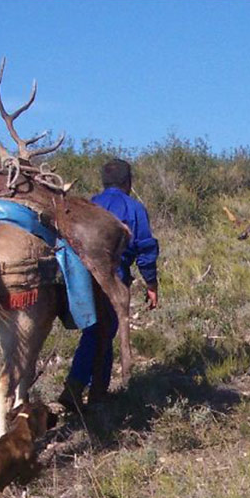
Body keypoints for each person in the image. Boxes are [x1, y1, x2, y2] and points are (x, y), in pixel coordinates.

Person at [58, 159, 159, 409]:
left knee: (99, 329)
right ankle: (79, 386)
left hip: (77, 276)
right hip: (113, 275)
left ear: (103, 183)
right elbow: (145, 246)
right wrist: (151, 283)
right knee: (100, 330)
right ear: (129, 182)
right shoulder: (133, 208)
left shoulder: (89, 205)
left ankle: (93, 390)